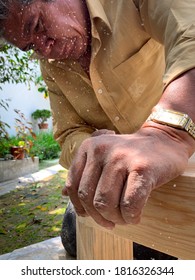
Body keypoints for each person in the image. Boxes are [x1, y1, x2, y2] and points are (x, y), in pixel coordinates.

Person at [1, 0, 195, 259]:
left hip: (186, 155)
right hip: (120, 179)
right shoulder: (50, 64)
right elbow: (68, 132)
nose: (45, 47)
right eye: (31, 46)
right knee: (76, 234)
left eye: (38, 25)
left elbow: (189, 35)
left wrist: (167, 133)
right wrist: (95, 151)